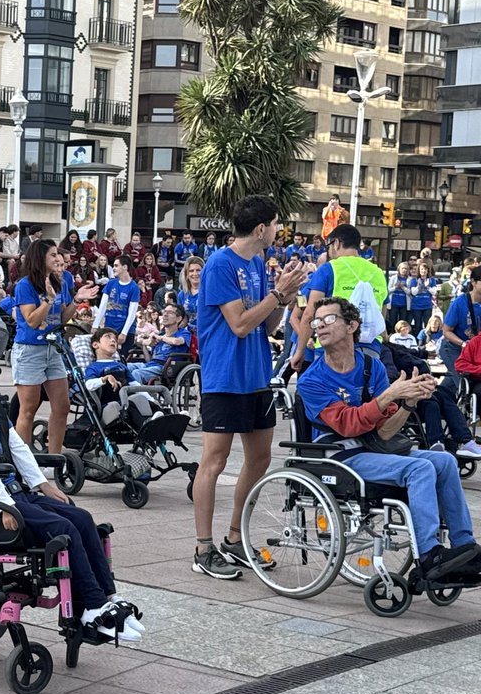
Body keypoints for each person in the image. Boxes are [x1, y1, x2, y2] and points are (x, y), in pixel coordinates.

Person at [0, 337, 144, 642]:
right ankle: (92, 607)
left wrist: (43, 485)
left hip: (16, 492)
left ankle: (107, 598)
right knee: (63, 528)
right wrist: (4, 504)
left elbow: (18, 448)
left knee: (82, 518)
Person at [299, 296, 481, 579]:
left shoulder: (372, 367)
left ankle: (464, 548)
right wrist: (388, 396)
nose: (320, 326)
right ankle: (429, 555)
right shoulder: (311, 380)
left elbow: (385, 431)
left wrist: (408, 402)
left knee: (445, 461)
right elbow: (348, 424)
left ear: (352, 326)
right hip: (338, 454)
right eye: (316, 322)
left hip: (374, 446)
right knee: (420, 468)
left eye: (329, 319)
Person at [192, 195, 307, 580]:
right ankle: (203, 548)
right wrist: (276, 294)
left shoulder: (257, 263)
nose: (278, 230)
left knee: (260, 458)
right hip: (225, 376)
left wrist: (285, 298)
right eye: (275, 224)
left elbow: (266, 325)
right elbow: (239, 324)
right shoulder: (220, 264)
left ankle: (235, 538)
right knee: (214, 461)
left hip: (257, 374)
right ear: (260, 228)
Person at [11, 240, 94, 454]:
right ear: (40, 258)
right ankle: (25, 462)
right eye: (53, 255)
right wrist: (48, 300)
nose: (58, 259)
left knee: (62, 406)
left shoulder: (61, 281)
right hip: (30, 349)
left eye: (58, 254)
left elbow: (62, 318)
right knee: (28, 408)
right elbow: (31, 320)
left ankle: (54, 459)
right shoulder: (25, 285)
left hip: (54, 348)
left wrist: (76, 300)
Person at [289, 223, 388, 371]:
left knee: (330, 385)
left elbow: (308, 313)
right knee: (366, 385)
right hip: (370, 346)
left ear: (336, 243)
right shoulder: (378, 273)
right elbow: (382, 312)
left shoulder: (329, 269)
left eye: (328, 246)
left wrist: (300, 350)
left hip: (332, 346)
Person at [440, 265, 481, 392]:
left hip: (474, 350)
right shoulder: (460, 302)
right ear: (473, 282)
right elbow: (446, 331)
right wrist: (463, 344)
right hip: (453, 348)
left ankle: (439, 395)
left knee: (453, 383)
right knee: (464, 383)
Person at [129, 303, 190, 384]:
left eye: (170, 312)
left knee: (136, 373)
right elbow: (149, 359)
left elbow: (177, 341)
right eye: (164, 311)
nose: (165, 315)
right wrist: (144, 344)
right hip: (150, 365)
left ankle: (133, 391)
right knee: (124, 367)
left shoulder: (183, 333)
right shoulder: (160, 334)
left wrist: (160, 338)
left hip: (165, 368)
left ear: (178, 319)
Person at [93, 255, 139, 358]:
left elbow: (132, 313)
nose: (113, 268)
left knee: (122, 359)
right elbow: (102, 306)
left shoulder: (134, 287)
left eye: (116, 265)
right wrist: (95, 325)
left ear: (125, 267)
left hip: (126, 329)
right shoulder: (111, 283)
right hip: (109, 327)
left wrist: (124, 333)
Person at [409, 261, 438, 335]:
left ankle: (427, 338)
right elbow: (413, 292)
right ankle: (418, 339)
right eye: (422, 269)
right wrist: (418, 286)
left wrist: (428, 287)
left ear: (428, 271)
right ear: (419, 270)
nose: (423, 271)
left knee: (427, 324)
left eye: (425, 269)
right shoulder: (414, 280)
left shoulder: (432, 280)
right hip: (416, 306)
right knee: (417, 324)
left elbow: (434, 292)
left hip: (427, 306)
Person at [386, 261, 412, 334]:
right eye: (402, 268)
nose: (404, 270)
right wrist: (396, 287)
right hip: (394, 303)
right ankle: (392, 334)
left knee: (403, 322)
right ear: (399, 269)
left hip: (404, 304)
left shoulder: (410, 279)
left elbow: (410, 292)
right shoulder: (393, 278)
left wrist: (403, 287)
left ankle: (402, 335)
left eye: (406, 269)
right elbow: (388, 290)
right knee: (392, 321)